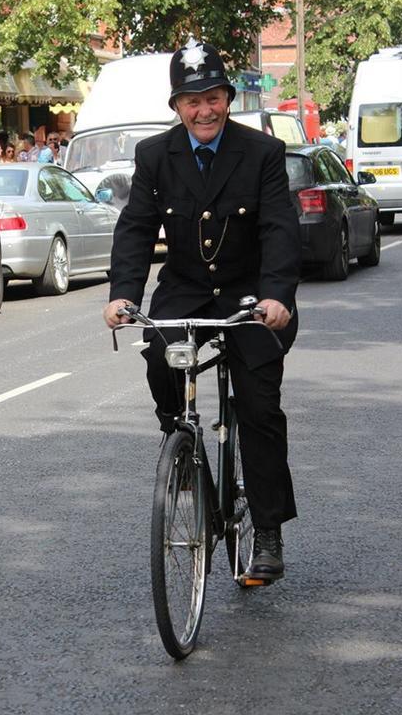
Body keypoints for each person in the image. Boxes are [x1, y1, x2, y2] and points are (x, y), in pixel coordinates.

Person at [103, 37, 301, 582]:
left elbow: (278, 228)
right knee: (158, 355)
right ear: (176, 107)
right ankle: (181, 441)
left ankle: (266, 533)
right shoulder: (154, 156)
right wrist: (123, 294)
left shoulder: (260, 153)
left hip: (250, 292)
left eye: (212, 96)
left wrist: (278, 295)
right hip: (187, 287)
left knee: (259, 409)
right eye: (192, 101)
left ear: (228, 98)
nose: (203, 109)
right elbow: (138, 230)